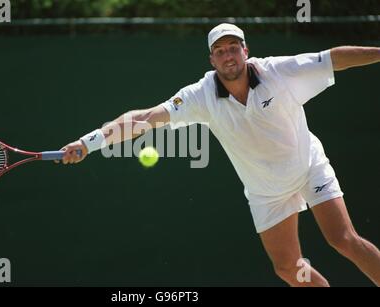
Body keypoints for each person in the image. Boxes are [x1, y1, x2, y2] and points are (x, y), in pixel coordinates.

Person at [57, 23, 380, 286]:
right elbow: (144, 119)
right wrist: (89, 142)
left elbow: (333, 59)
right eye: (219, 51)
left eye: (233, 48)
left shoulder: (279, 72)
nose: (228, 56)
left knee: (342, 238)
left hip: (308, 165)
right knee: (287, 268)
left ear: (245, 51)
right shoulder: (199, 96)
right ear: (212, 60)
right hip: (266, 191)